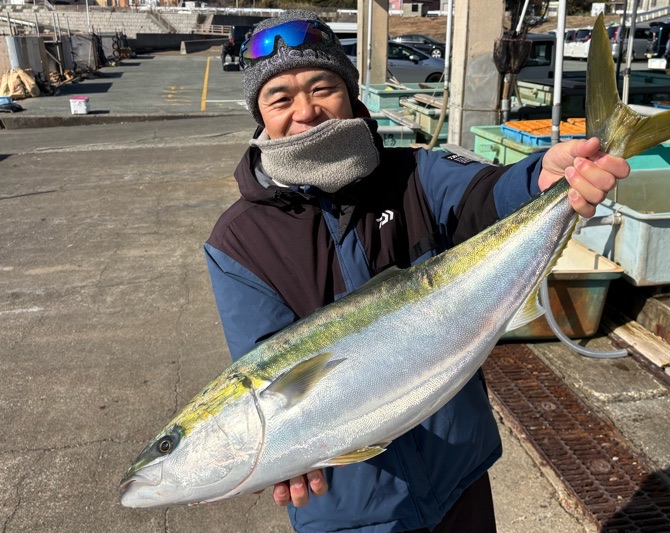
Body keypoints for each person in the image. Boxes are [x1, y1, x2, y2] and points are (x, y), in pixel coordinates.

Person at [204, 10, 630, 533]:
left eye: (323, 88)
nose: (307, 111)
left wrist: (540, 178)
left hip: (459, 481)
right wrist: (279, 448)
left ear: (350, 94)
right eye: (280, 98)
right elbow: (267, 370)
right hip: (351, 511)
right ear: (260, 114)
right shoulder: (239, 240)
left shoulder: (414, 175)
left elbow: (486, 196)